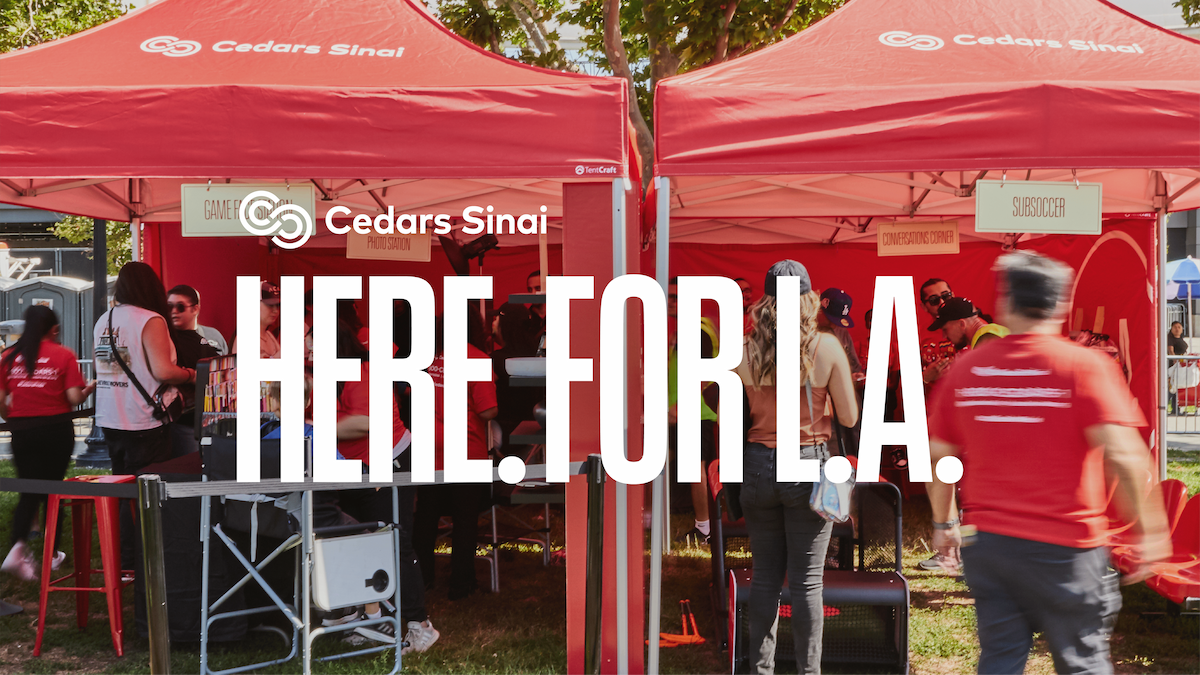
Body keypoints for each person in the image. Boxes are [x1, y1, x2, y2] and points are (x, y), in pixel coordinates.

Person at [928, 251, 1171, 675]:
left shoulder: (966, 370)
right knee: (1082, 663)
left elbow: (939, 455)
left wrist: (943, 522)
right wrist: (1149, 532)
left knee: (1000, 661)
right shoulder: (1083, 366)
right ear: (1059, 304)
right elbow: (1124, 455)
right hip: (1067, 549)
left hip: (992, 546)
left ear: (1005, 304)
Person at [736, 260, 858, 675]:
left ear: (766, 300)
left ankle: (760, 670)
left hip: (757, 466)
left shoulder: (745, 348)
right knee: (807, 582)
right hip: (807, 462)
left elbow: (726, 411)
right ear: (809, 297)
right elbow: (850, 416)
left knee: (766, 578)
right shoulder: (825, 347)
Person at [329, 321, 436, 652]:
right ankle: (369, 617)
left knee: (394, 542)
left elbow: (362, 424)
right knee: (361, 541)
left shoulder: (362, 374)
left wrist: (309, 424)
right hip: (356, 468)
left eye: (312, 342)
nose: (307, 350)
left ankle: (420, 625)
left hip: (389, 462)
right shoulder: (322, 375)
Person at [94, 261, 196, 570]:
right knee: (147, 493)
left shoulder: (104, 320)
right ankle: (145, 559)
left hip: (111, 416)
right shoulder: (150, 319)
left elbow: (109, 368)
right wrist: (191, 374)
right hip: (144, 419)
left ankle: (125, 558)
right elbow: (163, 370)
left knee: (125, 489)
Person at [0, 306, 94, 581]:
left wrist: (14, 418)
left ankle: (21, 548)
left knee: (29, 487)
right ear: (54, 330)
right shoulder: (63, 354)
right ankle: (50, 554)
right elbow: (75, 398)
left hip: (22, 432)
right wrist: (90, 388)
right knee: (52, 492)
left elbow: (1, 400)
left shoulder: (9, 357)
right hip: (55, 431)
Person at [414, 306, 497, 601]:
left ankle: (421, 579)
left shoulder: (426, 357)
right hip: (466, 447)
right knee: (465, 519)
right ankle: (461, 583)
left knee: (425, 517)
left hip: (428, 447)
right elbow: (488, 410)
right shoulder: (476, 358)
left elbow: (411, 395)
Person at [666, 277, 719, 545]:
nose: (670, 302)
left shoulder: (696, 330)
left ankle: (705, 529)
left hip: (693, 413)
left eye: (676, 297)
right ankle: (701, 525)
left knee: (695, 469)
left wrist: (678, 406)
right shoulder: (688, 329)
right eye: (669, 296)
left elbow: (704, 373)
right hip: (685, 411)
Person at [926, 297, 1009, 351]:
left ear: (962, 324)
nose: (944, 336)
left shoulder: (985, 340)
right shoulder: (996, 330)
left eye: (945, 329)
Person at [167, 284, 228, 355]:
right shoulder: (165, 338)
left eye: (180, 306)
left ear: (195, 309)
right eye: (170, 306)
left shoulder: (214, 335)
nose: (174, 311)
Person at [918, 278, 957, 385]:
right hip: (934, 399)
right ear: (924, 307)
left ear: (953, 296)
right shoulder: (917, 335)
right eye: (934, 300)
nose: (942, 302)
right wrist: (925, 377)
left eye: (946, 296)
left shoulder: (971, 325)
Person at [816, 288, 862, 374]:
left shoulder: (841, 330)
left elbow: (854, 365)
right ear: (819, 307)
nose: (834, 325)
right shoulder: (803, 330)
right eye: (832, 319)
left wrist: (853, 376)